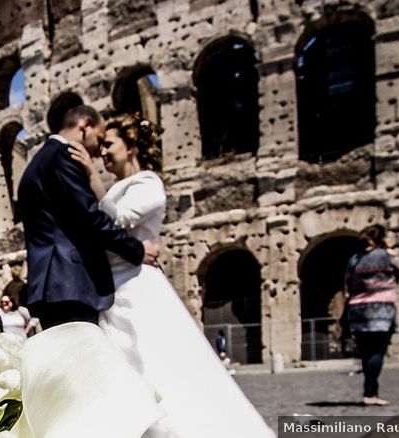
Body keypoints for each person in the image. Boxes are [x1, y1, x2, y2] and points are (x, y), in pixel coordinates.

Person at [68, 112, 272, 438]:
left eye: (109, 144)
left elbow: (118, 220)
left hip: (137, 287)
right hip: (112, 291)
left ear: (131, 147)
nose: (103, 152)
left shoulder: (148, 183)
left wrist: (92, 177)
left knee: (155, 365)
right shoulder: (117, 188)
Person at [16, 104, 159, 330]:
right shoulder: (62, 158)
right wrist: (138, 250)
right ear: (85, 125)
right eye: (99, 138)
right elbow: (91, 218)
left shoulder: (40, 161)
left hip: (53, 283)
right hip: (69, 282)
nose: (98, 150)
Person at [344, 224, 399, 407]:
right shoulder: (387, 256)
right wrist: (389, 250)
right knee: (377, 351)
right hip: (381, 309)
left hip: (357, 310)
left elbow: (347, 283)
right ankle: (370, 393)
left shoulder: (354, 259)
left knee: (365, 353)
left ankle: (369, 391)